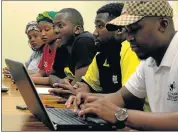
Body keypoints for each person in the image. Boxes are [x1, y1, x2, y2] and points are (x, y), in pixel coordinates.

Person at [67, 0, 178, 130]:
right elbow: (121, 97)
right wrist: (90, 100)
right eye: (127, 30)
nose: (129, 37)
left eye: (135, 29)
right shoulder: (149, 61)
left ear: (163, 24)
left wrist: (121, 115)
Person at [50, 3, 145, 110]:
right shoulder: (101, 55)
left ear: (119, 29)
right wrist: (77, 91)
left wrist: (85, 96)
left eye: (100, 26)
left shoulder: (128, 49)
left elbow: (128, 100)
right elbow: (86, 85)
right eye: (96, 27)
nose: (94, 33)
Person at [48, 8, 96, 87]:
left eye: (60, 26)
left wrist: (66, 84)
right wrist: (59, 81)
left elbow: (78, 85)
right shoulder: (62, 45)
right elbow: (52, 76)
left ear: (77, 29)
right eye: (54, 27)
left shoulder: (84, 41)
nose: (55, 30)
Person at [31, 11, 58, 85]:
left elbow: (55, 79)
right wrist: (22, 78)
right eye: (40, 30)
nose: (42, 34)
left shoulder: (62, 49)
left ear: (56, 29)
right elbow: (41, 73)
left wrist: (29, 80)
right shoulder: (46, 47)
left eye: (46, 30)